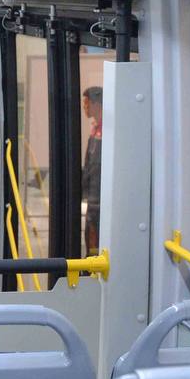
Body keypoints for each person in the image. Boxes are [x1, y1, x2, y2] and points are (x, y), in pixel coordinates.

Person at [81, 86, 103, 255]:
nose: (84, 107)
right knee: (90, 235)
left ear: (96, 104)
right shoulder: (94, 129)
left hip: (99, 199)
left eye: (87, 104)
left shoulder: (106, 132)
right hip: (92, 197)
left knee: (95, 237)